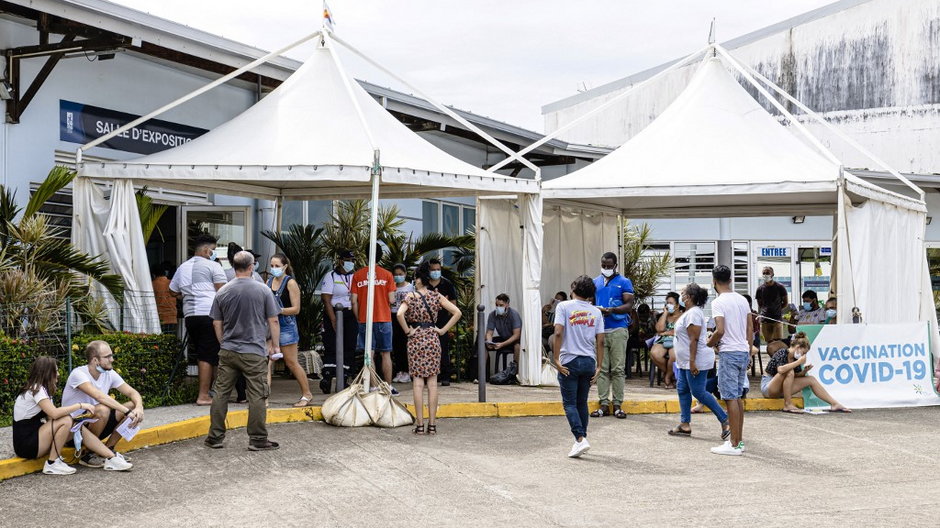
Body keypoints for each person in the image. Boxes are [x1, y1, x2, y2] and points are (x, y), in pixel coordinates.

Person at [205, 250, 281, 451]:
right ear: (251, 266)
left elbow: (216, 323)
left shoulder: (223, 292)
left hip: (229, 350)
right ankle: (257, 439)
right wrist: (275, 345)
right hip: (254, 351)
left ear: (234, 266)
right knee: (257, 394)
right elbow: (273, 319)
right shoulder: (263, 290)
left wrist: (224, 343)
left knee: (221, 393)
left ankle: (215, 437)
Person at [12, 357, 122, 474]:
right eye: (56, 371)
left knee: (76, 426)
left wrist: (75, 424)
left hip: (35, 440)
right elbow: (54, 414)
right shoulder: (37, 389)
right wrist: (79, 405)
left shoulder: (41, 390)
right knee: (67, 420)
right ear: (48, 373)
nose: (58, 374)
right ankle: (52, 463)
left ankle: (110, 458)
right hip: (26, 444)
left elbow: (51, 418)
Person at [397, 261, 462, 435]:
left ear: (419, 279)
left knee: (418, 383)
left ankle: (419, 425)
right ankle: (432, 426)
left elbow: (399, 313)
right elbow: (457, 312)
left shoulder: (411, 296)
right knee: (433, 383)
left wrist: (407, 331)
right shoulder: (436, 296)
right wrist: (441, 330)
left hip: (416, 338)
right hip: (433, 337)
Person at [61, 341, 142, 469]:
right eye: (107, 357)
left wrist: (139, 408)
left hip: (97, 423)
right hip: (74, 432)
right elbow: (99, 396)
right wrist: (126, 412)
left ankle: (107, 450)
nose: (112, 359)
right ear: (95, 360)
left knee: (133, 406)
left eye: (111, 355)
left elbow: (132, 392)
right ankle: (88, 455)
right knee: (103, 409)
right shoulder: (79, 374)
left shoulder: (109, 373)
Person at [170, 233, 227, 405]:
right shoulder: (213, 266)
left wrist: (187, 295)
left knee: (205, 353)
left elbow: (172, 291)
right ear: (206, 250)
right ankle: (203, 395)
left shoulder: (183, 267)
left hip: (191, 316)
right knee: (208, 355)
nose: (215, 253)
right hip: (208, 314)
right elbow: (223, 291)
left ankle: (210, 391)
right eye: (214, 250)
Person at [667, 283, 730, 440]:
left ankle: (725, 419)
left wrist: (692, 362)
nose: (681, 296)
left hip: (695, 359)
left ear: (690, 297)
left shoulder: (694, 313)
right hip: (685, 361)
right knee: (682, 389)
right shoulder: (689, 313)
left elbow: (693, 339)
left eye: (683, 293)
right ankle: (685, 424)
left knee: (698, 391)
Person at [551, 275, 604, 458]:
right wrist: (599, 366)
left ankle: (580, 439)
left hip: (569, 360)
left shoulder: (563, 306)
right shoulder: (596, 312)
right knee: (582, 402)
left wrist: (556, 359)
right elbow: (601, 341)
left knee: (569, 403)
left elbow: (558, 333)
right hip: (589, 361)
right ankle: (580, 441)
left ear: (573, 289)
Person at [706, 265, 754, 456]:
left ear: (714, 281)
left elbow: (720, 330)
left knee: (729, 397)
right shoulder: (742, 299)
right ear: (731, 279)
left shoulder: (718, 302)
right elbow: (750, 328)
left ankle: (734, 443)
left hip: (729, 352)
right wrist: (749, 350)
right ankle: (738, 441)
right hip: (743, 350)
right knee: (738, 396)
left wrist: (710, 343)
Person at [590, 251, 634, 419]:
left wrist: (612, 310)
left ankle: (617, 404)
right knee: (601, 369)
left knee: (617, 369)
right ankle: (603, 403)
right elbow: (590, 303)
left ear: (615, 265)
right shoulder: (595, 282)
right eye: (604, 265)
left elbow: (629, 304)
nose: (606, 268)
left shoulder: (624, 282)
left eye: (609, 266)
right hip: (600, 330)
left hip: (618, 329)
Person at [761, 332, 851, 413]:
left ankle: (834, 404)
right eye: (804, 352)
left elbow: (794, 376)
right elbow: (780, 370)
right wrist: (798, 362)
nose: (803, 355)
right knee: (789, 371)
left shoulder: (795, 359)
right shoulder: (782, 352)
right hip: (769, 386)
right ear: (798, 347)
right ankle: (788, 404)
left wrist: (804, 371)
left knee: (811, 379)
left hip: (782, 389)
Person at [268, 253, 314, 407]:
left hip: (286, 325)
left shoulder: (290, 283)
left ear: (285, 267)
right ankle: (264, 398)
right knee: (267, 362)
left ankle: (307, 394)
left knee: (291, 362)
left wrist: (278, 310)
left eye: (277, 266)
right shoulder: (268, 281)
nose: (274, 269)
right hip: (270, 325)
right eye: (272, 266)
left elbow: (296, 309)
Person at [350, 245, 397, 393]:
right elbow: (392, 299)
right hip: (384, 318)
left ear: (366, 255)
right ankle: (388, 386)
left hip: (365, 319)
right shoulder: (387, 275)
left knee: (369, 354)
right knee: (386, 354)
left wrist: (359, 318)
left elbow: (353, 301)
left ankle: (374, 386)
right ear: (381, 256)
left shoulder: (358, 275)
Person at [319, 250, 358, 393]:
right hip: (334, 312)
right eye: (348, 259)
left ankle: (346, 375)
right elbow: (326, 299)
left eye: (353, 260)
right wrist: (333, 319)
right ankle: (328, 376)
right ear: (340, 260)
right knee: (331, 344)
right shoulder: (331, 276)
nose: (351, 263)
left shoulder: (355, 276)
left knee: (349, 345)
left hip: (350, 313)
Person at [426, 258, 458, 386]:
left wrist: (449, 320)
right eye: (433, 270)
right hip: (427, 321)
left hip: (443, 320)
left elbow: (454, 304)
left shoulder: (447, 284)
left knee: (443, 348)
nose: (436, 272)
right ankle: (431, 375)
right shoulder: (425, 285)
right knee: (427, 349)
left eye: (438, 270)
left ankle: (445, 376)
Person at [650, 292, 683, 389]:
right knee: (654, 353)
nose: (668, 305)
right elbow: (659, 329)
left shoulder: (683, 315)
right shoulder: (665, 316)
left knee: (674, 355)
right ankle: (671, 375)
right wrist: (665, 314)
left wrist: (666, 332)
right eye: (667, 303)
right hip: (663, 340)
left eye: (671, 303)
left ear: (677, 305)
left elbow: (678, 330)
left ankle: (667, 377)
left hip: (678, 340)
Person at [485, 293, 523, 374]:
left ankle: (515, 373)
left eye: (501, 305)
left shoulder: (514, 314)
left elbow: (516, 335)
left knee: (517, 347)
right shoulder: (492, 315)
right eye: (497, 305)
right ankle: (482, 373)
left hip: (514, 339)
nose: (498, 307)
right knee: (483, 344)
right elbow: (489, 332)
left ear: (507, 305)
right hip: (503, 338)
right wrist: (489, 341)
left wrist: (502, 344)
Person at [391, 263, 415, 384]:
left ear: (405, 274)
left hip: (406, 318)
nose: (398, 277)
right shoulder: (392, 286)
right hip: (393, 316)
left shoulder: (410, 287)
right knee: (396, 345)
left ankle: (407, 371)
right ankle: (399, 371)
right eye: (395, 275)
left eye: (400, 274)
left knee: (406, 344)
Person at [755, 266, 788, 343]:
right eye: (764, 273)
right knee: (769, 342)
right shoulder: (760, 289)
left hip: (777, 319)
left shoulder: (780, 287)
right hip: (765, 320)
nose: (765, 275)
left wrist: (777, 309)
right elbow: (760, 304)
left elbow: (785, 303)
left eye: (767, 273)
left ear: (772, 274)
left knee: (778, 341)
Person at [151, 262, 178, 334]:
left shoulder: (152, 285)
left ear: (153, 274)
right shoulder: (172, 283)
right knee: (171, 341)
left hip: (159, 317)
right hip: (172, 317)